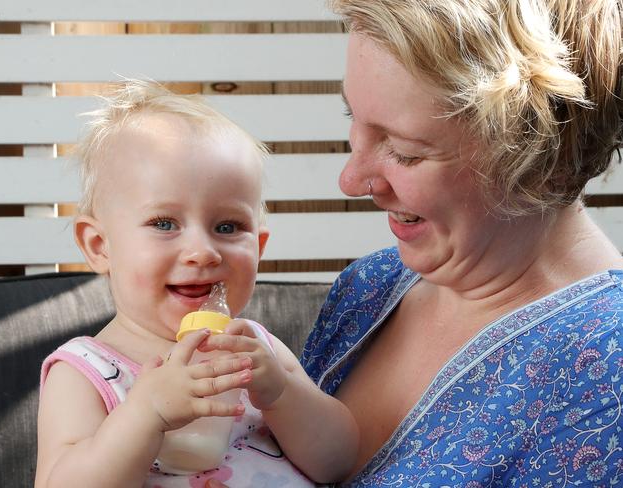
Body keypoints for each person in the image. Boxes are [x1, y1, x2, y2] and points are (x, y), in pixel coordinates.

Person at [209, 0, 623, 486]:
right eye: (354, 119)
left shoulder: (606, 371)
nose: (351, 179)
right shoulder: (370, 288)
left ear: (540, 163)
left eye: (404, 152)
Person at [35, 80, 358, 488]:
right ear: (100, 247)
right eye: (164, 223)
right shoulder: (84, 372)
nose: (203, 252)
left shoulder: (258, 349)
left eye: (227, 226)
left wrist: (281, 394)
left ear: (258, 247)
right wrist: (145, 414)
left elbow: (340, 461)